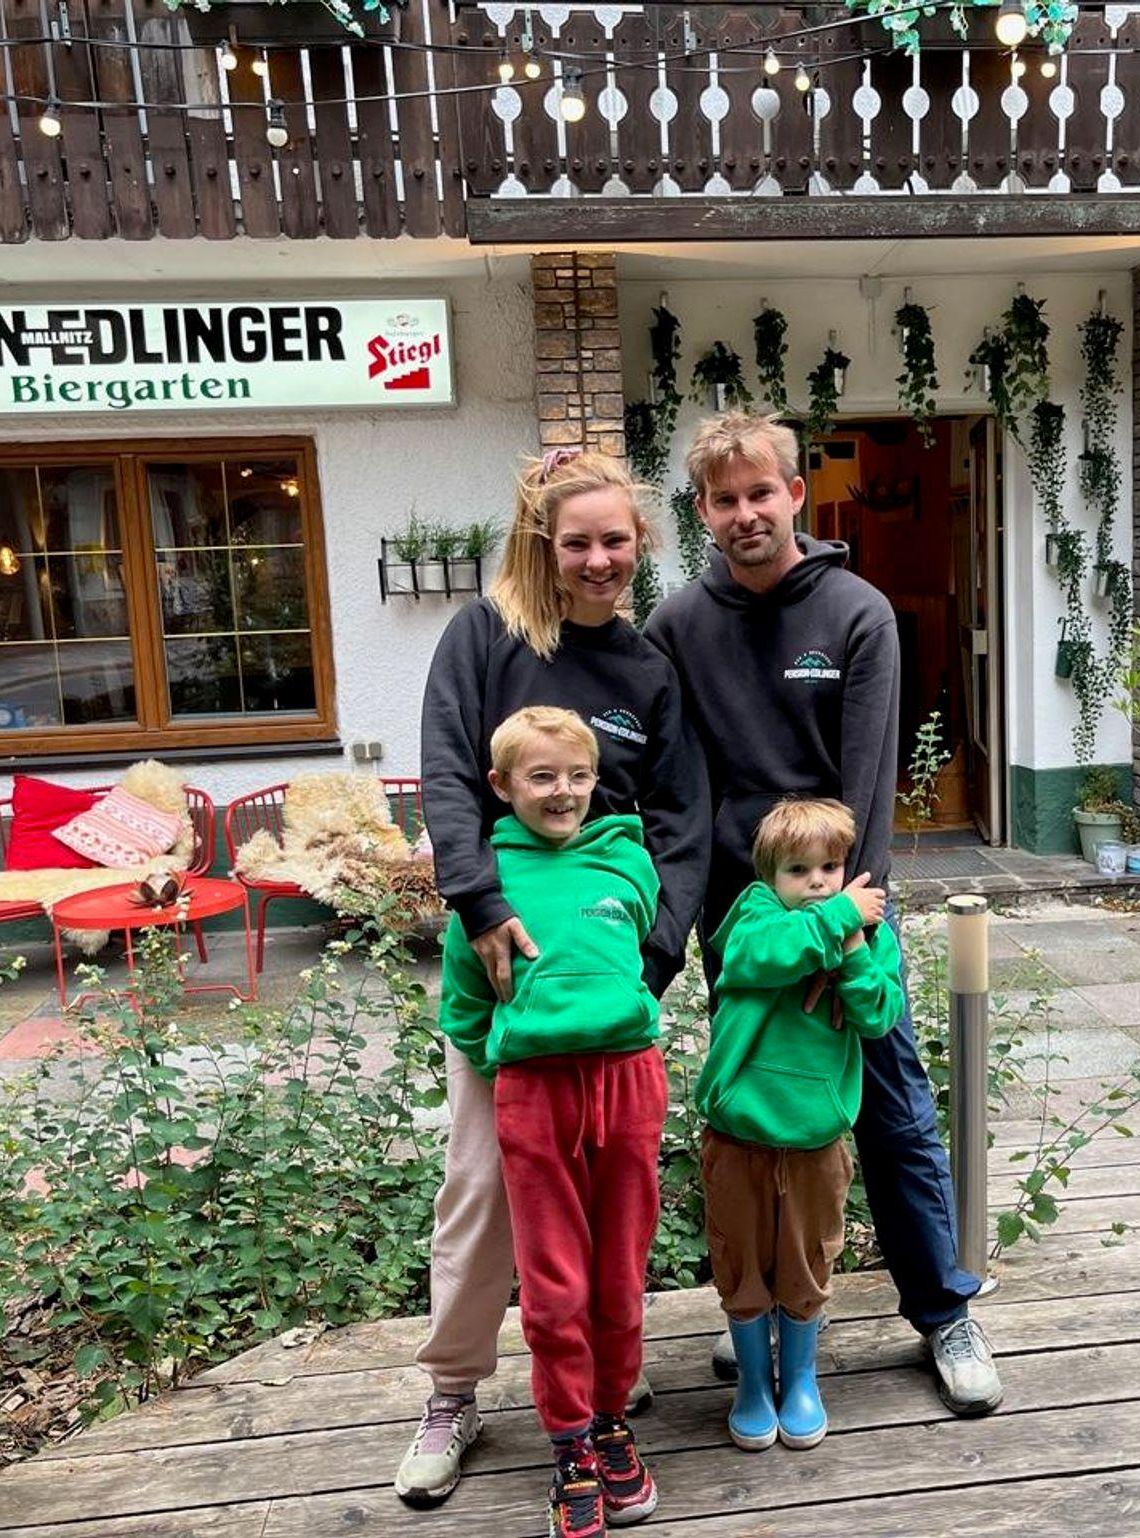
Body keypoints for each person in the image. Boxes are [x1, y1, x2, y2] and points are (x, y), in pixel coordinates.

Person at [644, 409, 1004, 1417]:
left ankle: (942, 1310)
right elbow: (681, 790)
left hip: (846, 911)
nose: (746, 513)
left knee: (890, 1108)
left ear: (795, 494)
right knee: (754, 1123)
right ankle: (761, 1317)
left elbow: (869, 789)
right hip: (747, 926)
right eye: (724, 499)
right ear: (703, 511)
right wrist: (694, 927)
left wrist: (848, 925)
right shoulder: (676, 626)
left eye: (762, 491)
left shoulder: (856, 613)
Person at [398, 451, 708, 1509]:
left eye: (616, 540)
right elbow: (448, 772)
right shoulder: (486, 637)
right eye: (577, 541)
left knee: (610, 1208)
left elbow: (682, 817)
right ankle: (452, 1390)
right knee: (484, 1186)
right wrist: (480, 903)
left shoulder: (644, 665)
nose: (598, 559)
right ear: (544, 544)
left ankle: (600, 1389)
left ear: (640, 543)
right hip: (505, 982)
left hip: (608, 993)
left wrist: (654, 955)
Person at [436, 706, 668, 1538]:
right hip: (535, 1093)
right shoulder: (487, 880)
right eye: (541, 777)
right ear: (502, 787)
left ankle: (610, 1420)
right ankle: (569, 1443)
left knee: (620, 1271)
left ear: (597, 779)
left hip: (628, 1081)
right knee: (554, 1280)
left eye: (577, 775)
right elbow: (465, 1007)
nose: (562, 791)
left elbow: (636, 954)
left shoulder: (627, 862)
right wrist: (517, 1053)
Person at [700, 798, 901, 1451]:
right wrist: (837, 919)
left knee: (808, 1261)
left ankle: (801, 1380)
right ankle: (754, 1385)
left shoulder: (863, 935)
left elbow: (878, 1014)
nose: (817, 882)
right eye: (798, 870)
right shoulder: (754, 917)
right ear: (769, 876)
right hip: (739, 1134)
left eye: (830, 868)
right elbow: (761, 957)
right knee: (741, 1262)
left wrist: (852, 949)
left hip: (816, 1138)